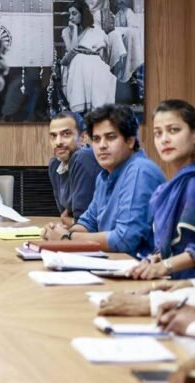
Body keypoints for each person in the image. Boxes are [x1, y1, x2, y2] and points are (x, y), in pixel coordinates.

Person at [43, 104, 166, 257]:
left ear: (130, 141)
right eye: (96, 139)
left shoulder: (140, 171)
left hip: (141, 266)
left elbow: (124, 239)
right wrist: (58, 232)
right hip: (115, 262)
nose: (102, 146)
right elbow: (88, 223)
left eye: (110, 137)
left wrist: (67, 237)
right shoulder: (105, 176)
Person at [127, 100, 195, 280]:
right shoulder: (164, 190)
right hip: (173, 283)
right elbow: (170, 247)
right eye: (158, 133)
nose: (164, 139)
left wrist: (165, 266)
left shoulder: (192, 183)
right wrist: (156, 258)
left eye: (174, 130)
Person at [47, 111, 102, 226]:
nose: (58, 142)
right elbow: (64, 215)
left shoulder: (84, 157)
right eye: (53, 136)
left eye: (66, 134)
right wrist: (70, 221)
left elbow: (81, 223)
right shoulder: (55, 165)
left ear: (83, 138)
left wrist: (71, 221)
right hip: (78, 232)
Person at [61, 0, 117, 113]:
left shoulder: (95, 30)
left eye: (74, 13)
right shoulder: (66, 31)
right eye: (69, 14)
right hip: (75, 62)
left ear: (83, 13)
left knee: (98, 67)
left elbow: (103, 53)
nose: (71, 17)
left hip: (94, 63)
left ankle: (96, 107)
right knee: (81, 61)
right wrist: (75, 30)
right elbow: (73, 50)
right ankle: (82, 107)